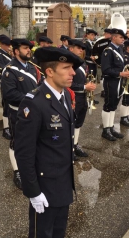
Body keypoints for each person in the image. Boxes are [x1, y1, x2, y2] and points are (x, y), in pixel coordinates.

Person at [15, 47, 82, 238]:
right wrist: (33, 192)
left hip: (62, 182)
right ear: (50, 72)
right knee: (42, 234)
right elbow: (24, 152)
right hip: (45, 188)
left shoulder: (65, 95)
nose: (73, 72)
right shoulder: (34, 102)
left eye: (72, 67)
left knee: (58, 232)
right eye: (67, 67)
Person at [1, 38, 40, 190]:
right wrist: (30, 97)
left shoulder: (30, 67)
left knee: (32, 140)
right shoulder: (9, 70)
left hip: (33, 111)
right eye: (25, 48)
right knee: (16, 142)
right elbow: (9, 94)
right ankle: (17, 172)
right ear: (16, 51)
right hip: (17, 111)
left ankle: (29, 166)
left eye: (29, 48)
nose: (28, 50)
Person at [101, 28, 129, 141]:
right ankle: (105, 130)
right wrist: (120, 73)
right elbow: (105, 69)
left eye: (123, 38)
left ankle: (111, 127)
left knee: (114, 105)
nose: (123, 39)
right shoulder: (108, 51)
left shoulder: (119, 49)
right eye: (121, 37)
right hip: (111, 81)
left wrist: (125, 72)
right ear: (114, 38)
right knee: (108, 105)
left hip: (119, 81)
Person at [68, 39, 96, 158]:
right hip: (73, 97)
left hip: (82, 96)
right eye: (78, 48)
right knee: (71, 123)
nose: (81, 50)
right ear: (71, 48)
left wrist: (89, 84)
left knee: (79, 123)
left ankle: (75, 145)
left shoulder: (82, 62)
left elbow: (83, 79)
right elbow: (67, 84)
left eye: (82, 49)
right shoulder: (68, 63)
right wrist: (85, 86)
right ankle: (69, 148)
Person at [0, 34, 13, 139]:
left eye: (8, 44)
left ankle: (10, 126)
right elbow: (1, 69)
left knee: (11, 106)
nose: (8, 46)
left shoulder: (8, 55)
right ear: (1, 44)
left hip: (12, 83)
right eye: (6, 45)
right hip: (5, 83)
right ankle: (6, 129)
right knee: (6, 106)